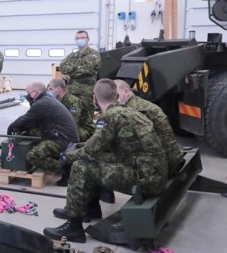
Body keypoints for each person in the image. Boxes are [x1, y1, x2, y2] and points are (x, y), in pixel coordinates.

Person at [43, 79, 168, 243]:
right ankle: (91, 208)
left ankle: (74, 227)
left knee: (80, 166)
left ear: (94, 98)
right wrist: (79, 146)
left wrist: (66, 157)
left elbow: (91, 150)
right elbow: (99, 144)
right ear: (116, 95)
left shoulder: (109, 118)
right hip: (155, 173)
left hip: (145, 179)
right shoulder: (129, 111)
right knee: (94, 160)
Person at [7, 81, 79, 175]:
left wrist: (11, 127)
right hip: (66, 137)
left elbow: (25, 118)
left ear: (35, 92)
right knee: (32, 132)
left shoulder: (42, 103)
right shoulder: (47, 99)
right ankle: (59, 159)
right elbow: (33, 121)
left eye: (29, 93)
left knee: (32, 156)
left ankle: (65, 168)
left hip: (63, 141)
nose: (27, 96)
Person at [115, 79, 184, 174]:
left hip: (163, 168)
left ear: (126, 92)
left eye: (116, 96)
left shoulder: (133, 112)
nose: (113, 100)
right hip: (170, 160)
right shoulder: (140, 104)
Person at [59, 30, 100, 121]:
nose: (79, 40)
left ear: (88, 39)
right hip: (71, 93)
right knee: (70, 118)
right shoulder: (72, 55)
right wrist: (77, 67)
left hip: (85, 94)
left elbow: (87, 70)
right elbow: (62, 68)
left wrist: (71, 70)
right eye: (77, 38)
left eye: (82, 38)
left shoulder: (94, 54)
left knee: (86, 119)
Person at [49, 77, 95, 142]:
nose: (49, 92)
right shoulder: (56, 101)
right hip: (67, 127)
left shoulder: (73, 102)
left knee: (65, 135)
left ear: (58, 89)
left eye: (51, 89)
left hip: (84, 129)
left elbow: (73, 122)